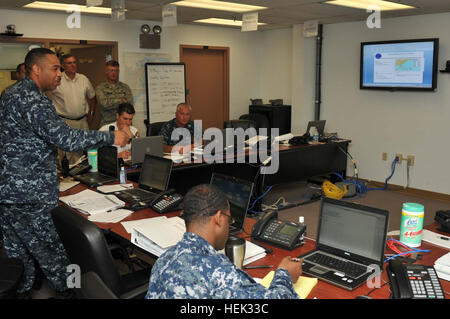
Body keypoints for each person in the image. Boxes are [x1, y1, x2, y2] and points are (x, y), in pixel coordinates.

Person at [0, 48, 131, 298]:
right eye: (55, 68)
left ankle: (23, 293)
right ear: (36, 69)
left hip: (9, 192)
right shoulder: (33, 99)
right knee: (55, 257)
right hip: (30, 195)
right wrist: (111, 136)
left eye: (60, 68)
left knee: (18, 256)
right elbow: (66, 137)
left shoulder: (11, 92)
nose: (60, 73)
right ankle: (72, 294)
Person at [146, 184, 302, 299]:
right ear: (219, 218)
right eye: (229, 219)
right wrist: (284, 275)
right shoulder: (219, 273)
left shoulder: (164, 258)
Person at [50, 54, 97, 164]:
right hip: (65, 122)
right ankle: (67, 178)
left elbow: (92, 97)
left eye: (74, 62)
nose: (73, 65)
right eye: (69, 63)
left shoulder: (83, 79)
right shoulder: (57, 79)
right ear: (63, 65)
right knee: (67, 154)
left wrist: (90, 116)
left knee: (85, 153)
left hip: (82, 122)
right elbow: (47, 97)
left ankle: (83, 177)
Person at [96, 60, 133, 127]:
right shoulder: (100, 88)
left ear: (118, 72)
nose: (114, 73)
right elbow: (105, 104)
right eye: (111, 70)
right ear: (106, 72)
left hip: (124, 124)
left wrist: (112, 101)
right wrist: (122, 100)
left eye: (116, 70)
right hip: (107, 124)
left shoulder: (125, 87)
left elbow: (129, 104)